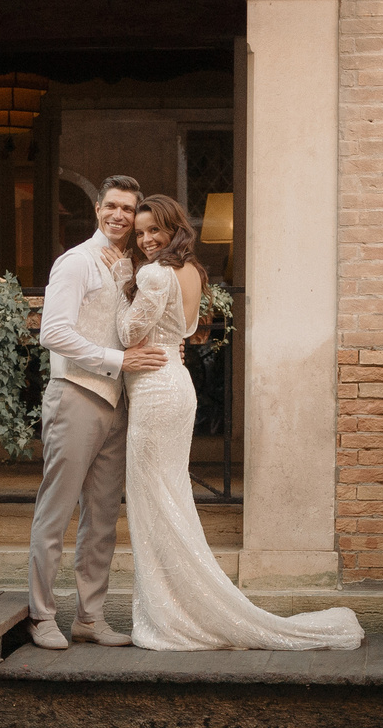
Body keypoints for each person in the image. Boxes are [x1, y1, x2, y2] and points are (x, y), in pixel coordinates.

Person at [119, 195, 362, 653]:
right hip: (175, 382)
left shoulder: (151, 274)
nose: (148, 240)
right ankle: (177, 605)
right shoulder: (192, 271)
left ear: (175, 230)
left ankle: (172, 616)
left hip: (155, 391)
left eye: (156, 231)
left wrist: (119, 284)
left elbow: (130, 334)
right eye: (141, 233)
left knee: (156, 502)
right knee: (167, 499)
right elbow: (184, 331)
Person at [26, 175, 170, 651]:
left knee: (103, 517)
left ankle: (89, 616)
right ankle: (42, 615)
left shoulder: (127, 264)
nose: (120, 216)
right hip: (75, 396)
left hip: (117, 403)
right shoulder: (76, 262)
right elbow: (53, 333)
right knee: (57, 510)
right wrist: (118, 361)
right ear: (97, 209)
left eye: (128, 210)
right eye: (112, 206)